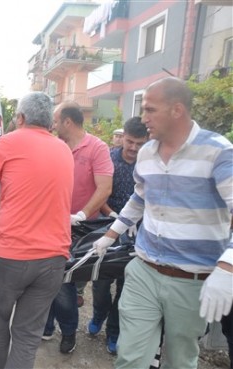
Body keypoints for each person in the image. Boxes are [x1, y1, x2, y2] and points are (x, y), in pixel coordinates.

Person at [93, 77, 233, 368]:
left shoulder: (218, 151)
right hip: (144, 270)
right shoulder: (146, 153)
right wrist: (111, 234)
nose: (143, 119)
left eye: (150, 110)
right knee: (130, 357)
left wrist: (227, 267)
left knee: (179, 360)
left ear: (177, 110)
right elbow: (140, 197)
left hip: (192, 279)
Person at [0, 92, 74, 369]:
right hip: (54, 259)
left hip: (10, 257)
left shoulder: (8, 142)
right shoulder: (64, 149)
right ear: (50, 122)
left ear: (20, 118)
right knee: (28, 336)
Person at [43, 101, 113, 354]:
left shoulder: (97, 148)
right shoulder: (56, 146)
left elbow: (105, 187)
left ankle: (69, 331)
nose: (52, 125)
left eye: (55, 120)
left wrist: (81, 214)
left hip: (81, 228)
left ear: (67, 122)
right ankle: (47, 326)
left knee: (64, 280)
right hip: (52, 224)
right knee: (47, 277)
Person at [87, 116, 148, 355]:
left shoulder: (150, 163)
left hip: (138, 234)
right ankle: (98, 313)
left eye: (139, 144)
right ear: (123, 138)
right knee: (101, 281)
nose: (133, 148)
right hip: (108, 227)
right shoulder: (110, 159)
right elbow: (100, 193)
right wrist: (114, 216)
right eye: (130, 142)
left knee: (126, 288)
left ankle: (114, 331)